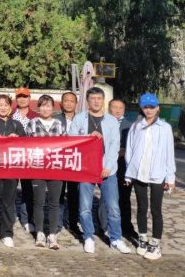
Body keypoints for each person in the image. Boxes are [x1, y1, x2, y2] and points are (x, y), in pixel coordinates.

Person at [68, 87, 131, 254]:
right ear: (87, 101)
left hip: (108, 169)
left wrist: (108, 166)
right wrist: (88, 136)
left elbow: (115, 145)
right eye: (93, 98)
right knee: (85, 206)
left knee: (113, 207)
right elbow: (71, 139)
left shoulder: (111, 121)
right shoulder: (79, 118)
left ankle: (115, 238)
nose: (96, 101)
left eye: (99, 98)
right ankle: (88, 236)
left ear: (103, 101)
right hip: (86, 168)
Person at [125, 93, 176, 260]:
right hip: (139, 173)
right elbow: (130, 150)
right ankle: (142, 239)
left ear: (157, 108)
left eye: (152, 107)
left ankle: (155, 244)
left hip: (158, 174)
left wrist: (170, 177)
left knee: (156, 209)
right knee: (141, 207)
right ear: (141, 108)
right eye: (145, 107)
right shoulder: (135, 127)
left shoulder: (165, 128)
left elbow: (169, 153)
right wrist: (129, 173)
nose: (149, 110)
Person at [0, 94, 25, 248]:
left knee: (9, 202)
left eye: (5, 105)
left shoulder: (16, 125)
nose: (2, 107)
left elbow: (27, 145)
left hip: (11, 169)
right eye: (0, 105)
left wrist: (17, 138)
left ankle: (7, 233)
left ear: (10, 107)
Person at [26, 95, 66, 249]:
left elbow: (66, 145)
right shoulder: (32, 123)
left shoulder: (59, 124)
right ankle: (40, 233)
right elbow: (25, 145)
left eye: (48, 106)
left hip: (56, 168)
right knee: (39, 202)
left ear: (53, 107)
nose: (45, 109)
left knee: (54, 202)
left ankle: (52, 234)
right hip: (37, 167)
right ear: (38, 107)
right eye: (43, 105)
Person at [98, 99, 136, 238]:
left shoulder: (131, 126)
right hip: (106, 166)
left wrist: (125, 151)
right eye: (115, 107)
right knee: (106, 197)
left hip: (124, 167)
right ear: (109, 108)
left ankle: (126, 226)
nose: (118, 110)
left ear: (124, 110)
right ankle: (104, 226)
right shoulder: (101, 123)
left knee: (124, 198)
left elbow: (135, 147)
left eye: (121, 108)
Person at [13, 87, 38, 233]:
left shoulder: (35, 117)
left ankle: (27, 219)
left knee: (28, 190)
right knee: (10, 188)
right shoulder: (10, 115)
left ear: (29, 98)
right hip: (12, 157)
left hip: (29, 158)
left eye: (25, 97)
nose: (22, 99)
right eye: (19, 97)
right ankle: (10, 215)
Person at [55, 91, 79, 234]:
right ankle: (57, 224)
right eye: (66, 101)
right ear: (61, 103)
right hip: (59, 161)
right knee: (58, 194)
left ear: (76, 104)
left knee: (74, 194)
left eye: (72, 101)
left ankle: (73, 223)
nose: (69, 103)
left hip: (76, 161)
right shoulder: (55, 119)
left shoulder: (82, 119)